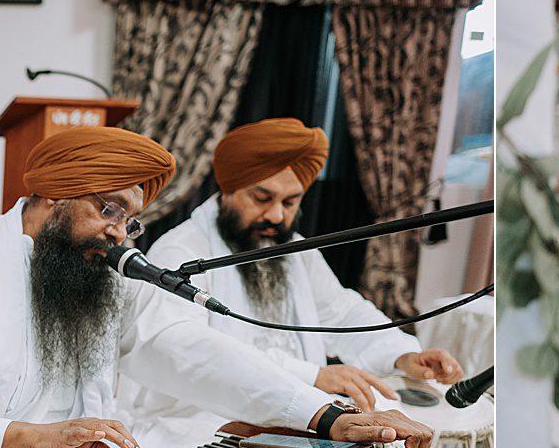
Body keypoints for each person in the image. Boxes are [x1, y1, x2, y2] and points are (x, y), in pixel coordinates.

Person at [0, 126, 432, 448]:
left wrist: (327, 415)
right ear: (53, 194)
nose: (118, 233)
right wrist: (33, 436)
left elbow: (189, 349)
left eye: (129, 220)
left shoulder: (100, 276)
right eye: (108, 209)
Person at [137, 118, 466, 416]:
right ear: (227, 190)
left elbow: (341, 312)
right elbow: (194, 354)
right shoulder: (180, 252)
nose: (277, 216)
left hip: (297, 411)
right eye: (262, 199)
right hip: (199, 422)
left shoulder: (292, 247)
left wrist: (402, 355)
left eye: (290, 202)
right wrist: (313, 376)